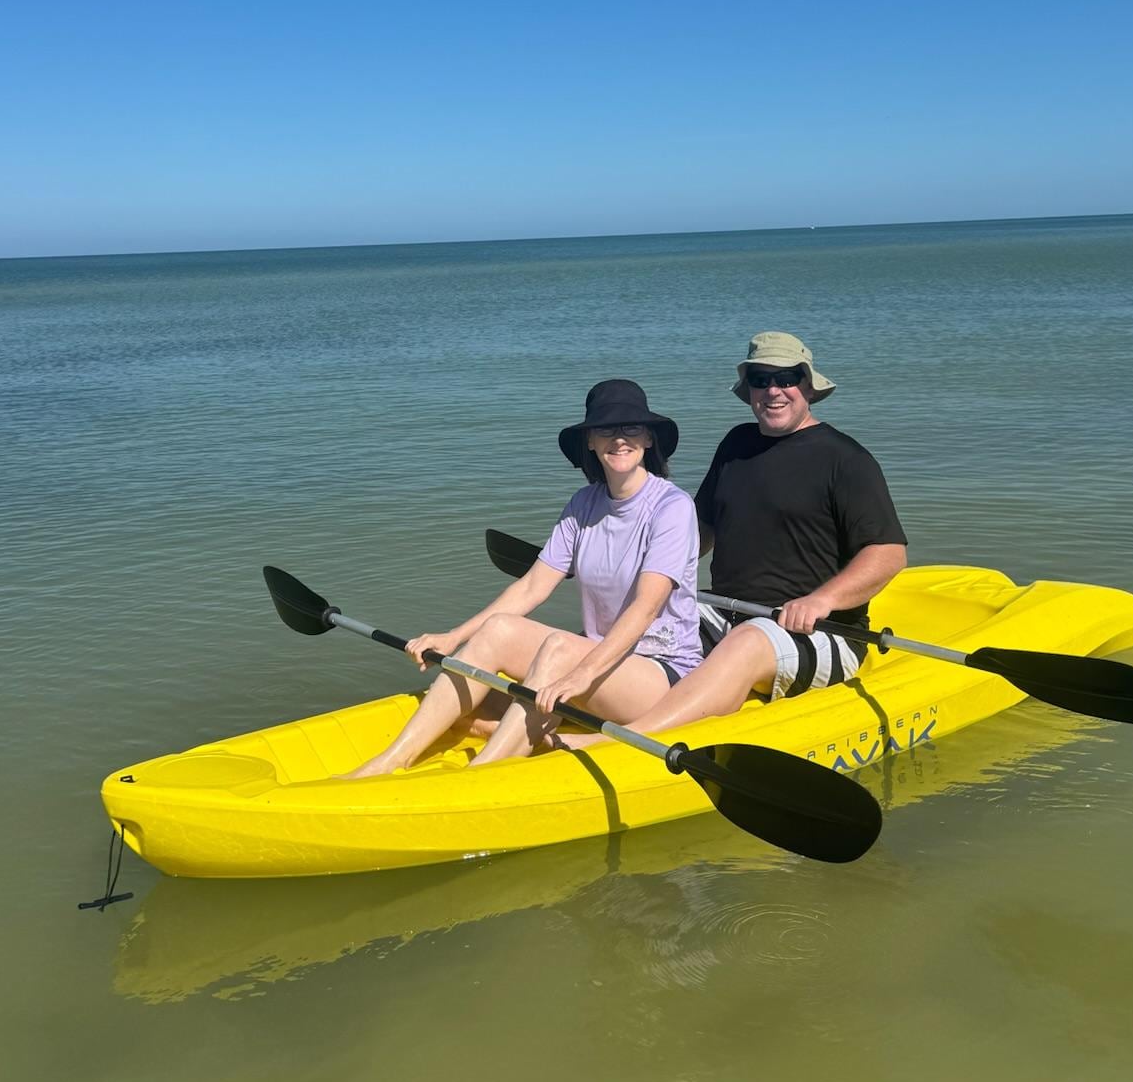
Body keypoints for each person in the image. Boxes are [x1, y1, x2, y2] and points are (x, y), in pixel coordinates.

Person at [344, 379, 703, 776]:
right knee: (499, 628)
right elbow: (532, 586)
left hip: (662, 676)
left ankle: (483, 773)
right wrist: (453, 637)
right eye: (606, 429)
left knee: (561, 650)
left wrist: (580, 674)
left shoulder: (672, 506)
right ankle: (393, 759)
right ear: (589, 442)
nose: (619, 439)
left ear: (649, 440)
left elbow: (646, 607)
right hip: (599, 663)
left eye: (631, 428)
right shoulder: (583, 504)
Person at [579, 331, 907, 738]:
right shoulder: (736, 444)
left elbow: (888, 554)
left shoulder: (846, 459)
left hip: (821, 633)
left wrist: (821, 600)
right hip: (725, 612)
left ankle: (620, 739)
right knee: (628, 619)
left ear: (807, 384)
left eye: (786, 378)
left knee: (747, 643)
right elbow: (696, 533)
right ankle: (547, 706)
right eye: (760, 380)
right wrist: (629, 568)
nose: (774, 390)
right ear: (749, 389)